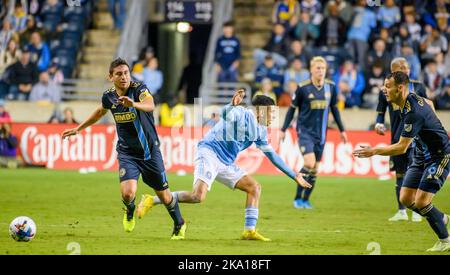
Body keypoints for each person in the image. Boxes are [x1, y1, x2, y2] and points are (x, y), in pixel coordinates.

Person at [137, 89, 311, 241]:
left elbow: (272, 155)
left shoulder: (260, 131)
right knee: (198, 196)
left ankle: (249, 231)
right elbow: (227, 114)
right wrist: (232, 104)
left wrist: (294, 175)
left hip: (226, 162)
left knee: (254, 187)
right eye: (271, 114)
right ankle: (153, 200)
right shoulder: (242, 113)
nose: (273, 117)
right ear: (260, 111)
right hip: (210, 152)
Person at [62, 58, 187, 240]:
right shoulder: (109, 96)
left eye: (126, 73)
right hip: (127, 152)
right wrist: (78, 128)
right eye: (119, 74)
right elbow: (100, 112)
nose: (123, 77)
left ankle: (179, 223)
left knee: (166, 197)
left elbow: (151, 105)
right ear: (110, 77)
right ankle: (129, 210)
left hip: (150, 152)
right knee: (128, 193)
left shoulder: (139, 89)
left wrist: (133, 104)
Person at [354, 71, 450, 252]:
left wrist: (374, 150)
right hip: (422, 154)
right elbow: (429, 103)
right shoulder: (409, 101)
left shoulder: (413, 112)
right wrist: (433, 121)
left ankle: (445, 240)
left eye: (387, 86)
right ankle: (441, 217)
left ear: (400, 88)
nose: (384, 89)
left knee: (422, 202)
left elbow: (401, 147)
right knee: (405, 198)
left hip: (440, 156)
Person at [280, 56, 347, 209]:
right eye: (318, 68)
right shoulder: (303, 87)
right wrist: (283, 129)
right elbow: (292, 109)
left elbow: (335, 109)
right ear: (311, 70)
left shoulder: (331, 87)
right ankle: (297, 198)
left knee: (315, 169)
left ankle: (305, 200)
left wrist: (342, 130)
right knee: (309, 163)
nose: (321, 71)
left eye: (323, 68)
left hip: (321, 134)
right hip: (304, 132)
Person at [375, 57, 427, 222]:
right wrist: (378, 124)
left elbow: (429, 108)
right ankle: (402, 211)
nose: (406, 70)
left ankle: (418, 211)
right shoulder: (386, 89)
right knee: (400, 175)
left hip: (416, 139)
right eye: (402, 68)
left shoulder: (418, 87)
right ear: (394, 71)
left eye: (407, 67)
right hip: (397, 139)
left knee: (415, 173)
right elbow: (380, 112)